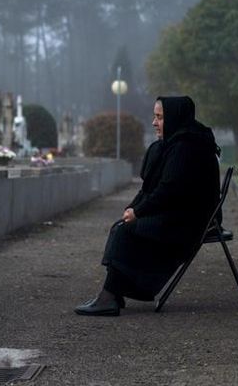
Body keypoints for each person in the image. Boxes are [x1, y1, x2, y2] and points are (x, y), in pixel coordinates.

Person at [75, 96, 220, 316]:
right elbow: (150, 188)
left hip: (189, 222)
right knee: (122, 226)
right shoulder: (175, 144)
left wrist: (139, 212)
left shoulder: (186, 148)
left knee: (126, 231)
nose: (154, 122)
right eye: (155, 116)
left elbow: (168, 191)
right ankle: (113, 294)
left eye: (160, 117)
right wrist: (132, 208)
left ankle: (108, 298)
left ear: (174, 118)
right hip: (178, 213)